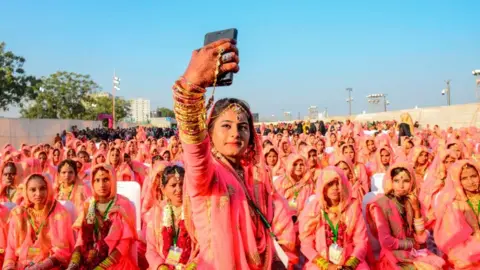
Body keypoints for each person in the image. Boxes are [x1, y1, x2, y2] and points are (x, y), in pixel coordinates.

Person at [172, 38, 296, 269]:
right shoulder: (207, 176)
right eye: (226, 126)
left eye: (243, 127)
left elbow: (282, 229)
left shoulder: (259, 180)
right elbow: (195, 151)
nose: (235, 133)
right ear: (209, 132)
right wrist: (192, 87)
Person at [366, 163, 445, 269]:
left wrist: (416, 209)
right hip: (393, 255)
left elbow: (421, 237)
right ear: (391, 181)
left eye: (406, 181)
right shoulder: (381, 204)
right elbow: (386, 241)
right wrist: (411, 243)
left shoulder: (413, 201)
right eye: (396, 181)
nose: (401, 186)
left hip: (415, 252)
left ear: (412, 182)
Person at [66, 164, 138, 269]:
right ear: (92, 183)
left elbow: (125, 244)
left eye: (106, 179)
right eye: (97, 180)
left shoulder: (123, 204)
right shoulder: (88, 204)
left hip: (116, 262)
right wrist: (74, 262)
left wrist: (102, 267)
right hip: (90, 257)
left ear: (113, 180)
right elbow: (81, 239)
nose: (101, 185)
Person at [299, 167, 370, 269]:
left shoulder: (352, 207)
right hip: (320, 263)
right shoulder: (313, 208)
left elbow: (361, 241)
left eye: (338, 183)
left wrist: (350, 265)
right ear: (323, 187)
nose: (335, 188)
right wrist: (326, 265)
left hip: (349, 261)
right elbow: (306, 245)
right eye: (330, 184)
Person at [3, 174, 74, 269]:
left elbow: (63, 250)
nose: (38, 193)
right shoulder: (18, 213)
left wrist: (42, 266)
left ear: (48, 189)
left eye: (42, 188)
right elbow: (11, 249)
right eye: (33, 190)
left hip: (50, 265)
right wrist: (9, 266)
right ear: (26, 192)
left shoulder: (59, 213)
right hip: (22, 265)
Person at [145, 165, 195, 269]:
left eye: (182, 184)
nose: (179, 189)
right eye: (173, 185)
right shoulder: (156, 213)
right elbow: (151, 249)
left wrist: (194, 265)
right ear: (163, 190)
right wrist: (160, 266)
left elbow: (203, 246)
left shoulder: (195, 210)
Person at [433, 160, 480, 269]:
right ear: (456, 180)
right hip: (466, 252)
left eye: (474, 176)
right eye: (464, 178)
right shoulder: (452, 203)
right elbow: (453, 235)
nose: (470, 181)